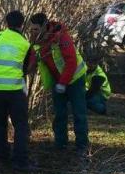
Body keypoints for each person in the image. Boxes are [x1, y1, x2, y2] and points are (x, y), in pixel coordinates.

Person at [28, 12, 89, 157]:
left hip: (75, 78)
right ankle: (60, 144)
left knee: (78, 112)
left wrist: (63, 83)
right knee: (60, 113)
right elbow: (32, 60)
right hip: (58, 80)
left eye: (35, 29)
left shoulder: (61, 36)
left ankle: (82, 145)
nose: (32, 32)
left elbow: (71, 62)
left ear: (44, 27)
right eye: (31, 29)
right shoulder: (36, 41)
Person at [0, 10, 34, 171]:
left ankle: (1, 157)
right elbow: (26, 68)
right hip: (15, 89)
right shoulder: (25, 44)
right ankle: (20, 161)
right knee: (20, 125)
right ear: (22, 24)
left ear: (6, 22)